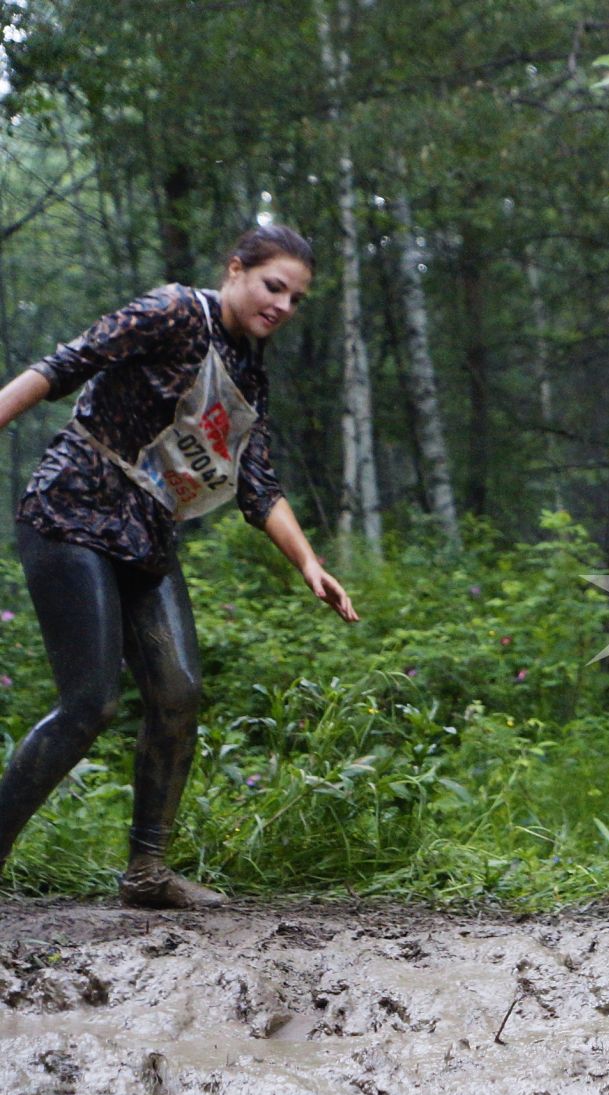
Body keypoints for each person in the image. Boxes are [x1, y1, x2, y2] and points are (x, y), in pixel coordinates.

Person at [0, 224, 357, 909]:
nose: (282, 305)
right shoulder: (171, 312)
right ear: (235, 270)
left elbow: (257, 482)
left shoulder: (249, 372)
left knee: (179, 691)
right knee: (91, 703)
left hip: (146, 532)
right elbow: (61, 367)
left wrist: (310, 563)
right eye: (272, 286)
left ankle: (146, 871)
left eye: (296, 298)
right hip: (73, 508)